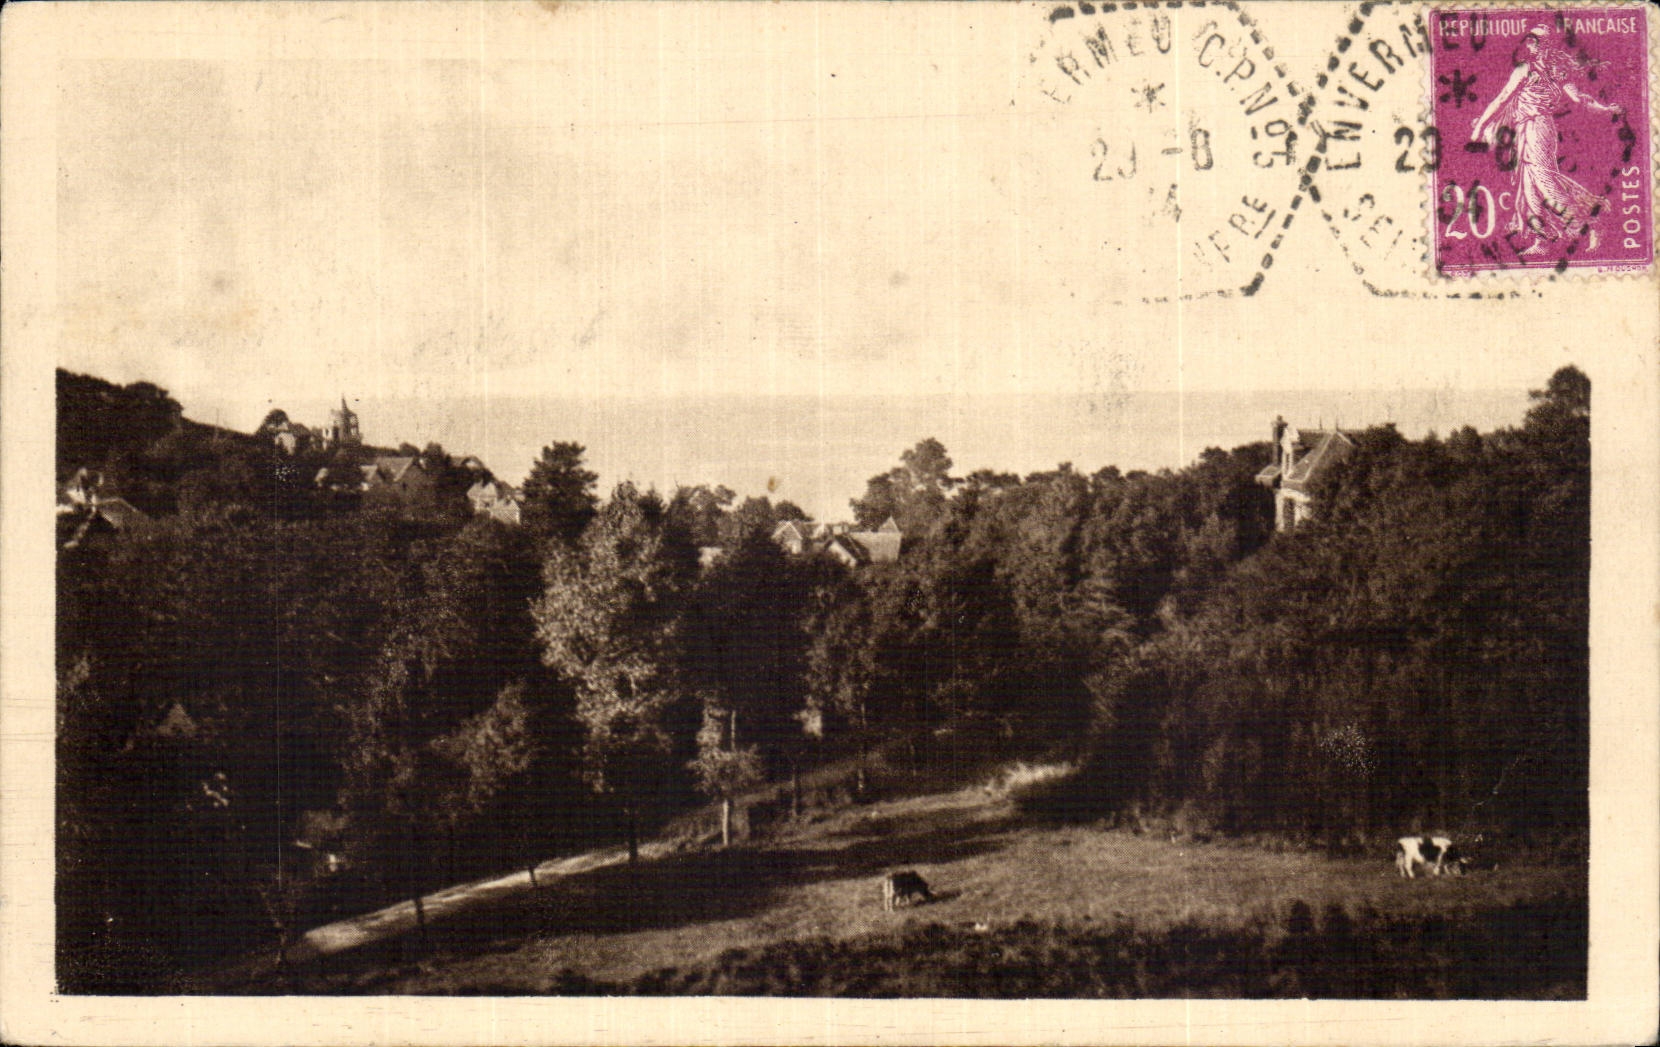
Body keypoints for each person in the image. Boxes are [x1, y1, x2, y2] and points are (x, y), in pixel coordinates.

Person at [1469, 25, 1625, 255]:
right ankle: (1541, 241)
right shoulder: (1556, 71)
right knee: (1529, 185)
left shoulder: (1527, 70)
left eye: (1532, 42)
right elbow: (1580, 99)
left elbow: (1501, 100)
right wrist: (1605, 109)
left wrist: (1480, 127)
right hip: (1533, 129)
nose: (1528, 45)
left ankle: (1590, 225)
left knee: (1545, 182)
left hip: (1536, 128)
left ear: (1539, 45)